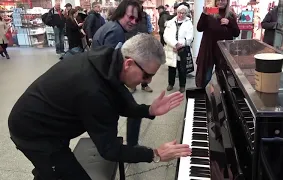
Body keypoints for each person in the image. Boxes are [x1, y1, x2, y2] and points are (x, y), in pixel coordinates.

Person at [8, 33, 190, 180]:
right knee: (57, 169)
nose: (149, 81)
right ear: (128, 63)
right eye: (146, 76)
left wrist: (148, 110)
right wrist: (155, 154)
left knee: (52, 170)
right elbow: (109, 150)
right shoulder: (94, 92)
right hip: (34, 133)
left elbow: (118, 101)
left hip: (50, 121)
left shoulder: (108, 59)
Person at [92, 0, 152, 148]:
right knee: (134, 111)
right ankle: (130, 145)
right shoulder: (116, 31)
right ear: (120, 13)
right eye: (130, 17)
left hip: (98, 78)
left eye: (136, 19)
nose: (133, 22)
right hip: (103, 81)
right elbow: (108, 63)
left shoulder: (110, 26)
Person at [195, 0, 240, 88]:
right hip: (209, 50)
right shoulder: (210, 12)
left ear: (227, 2)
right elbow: (199, 28)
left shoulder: (230, 14)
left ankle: (219, 97)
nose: (220, 2)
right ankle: (202, 95)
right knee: (206, 77)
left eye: (223, 0)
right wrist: (204, 14)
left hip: (223, 52)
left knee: (222, 77)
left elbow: (236, 33)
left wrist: (229, 23)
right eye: (218, 0)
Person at [164, 5, 194, 93]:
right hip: (172, 48)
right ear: (176, 12)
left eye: (183, 13)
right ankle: (171, 84)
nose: (181, 15)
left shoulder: (188, 23)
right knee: (171, 68)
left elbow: (189, 38)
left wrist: (181, 45)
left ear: (186, 14)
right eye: (179, 13)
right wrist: (175, 44)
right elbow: (166, 36)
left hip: (182, 49)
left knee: (182, 68)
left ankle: (182, 85)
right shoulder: (170, 22)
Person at [125, 1, 154, 93]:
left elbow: (149, 28)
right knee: (133, 65)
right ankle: (133, 85)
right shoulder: (129, 15)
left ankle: (144, 85)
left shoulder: (145, 15)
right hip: (132, 42)